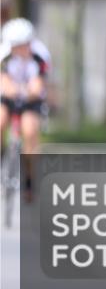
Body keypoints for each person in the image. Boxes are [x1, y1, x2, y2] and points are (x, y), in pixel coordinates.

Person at [0, 17, 52, 203]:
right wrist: (12, 89)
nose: (14, 49)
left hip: (32, 100)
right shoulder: (5, 54)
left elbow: (38, 86)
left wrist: (29, 91)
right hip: (10, 96)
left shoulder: (40, 55)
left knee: (30, 130)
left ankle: (30, 180)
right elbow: (4, 81)